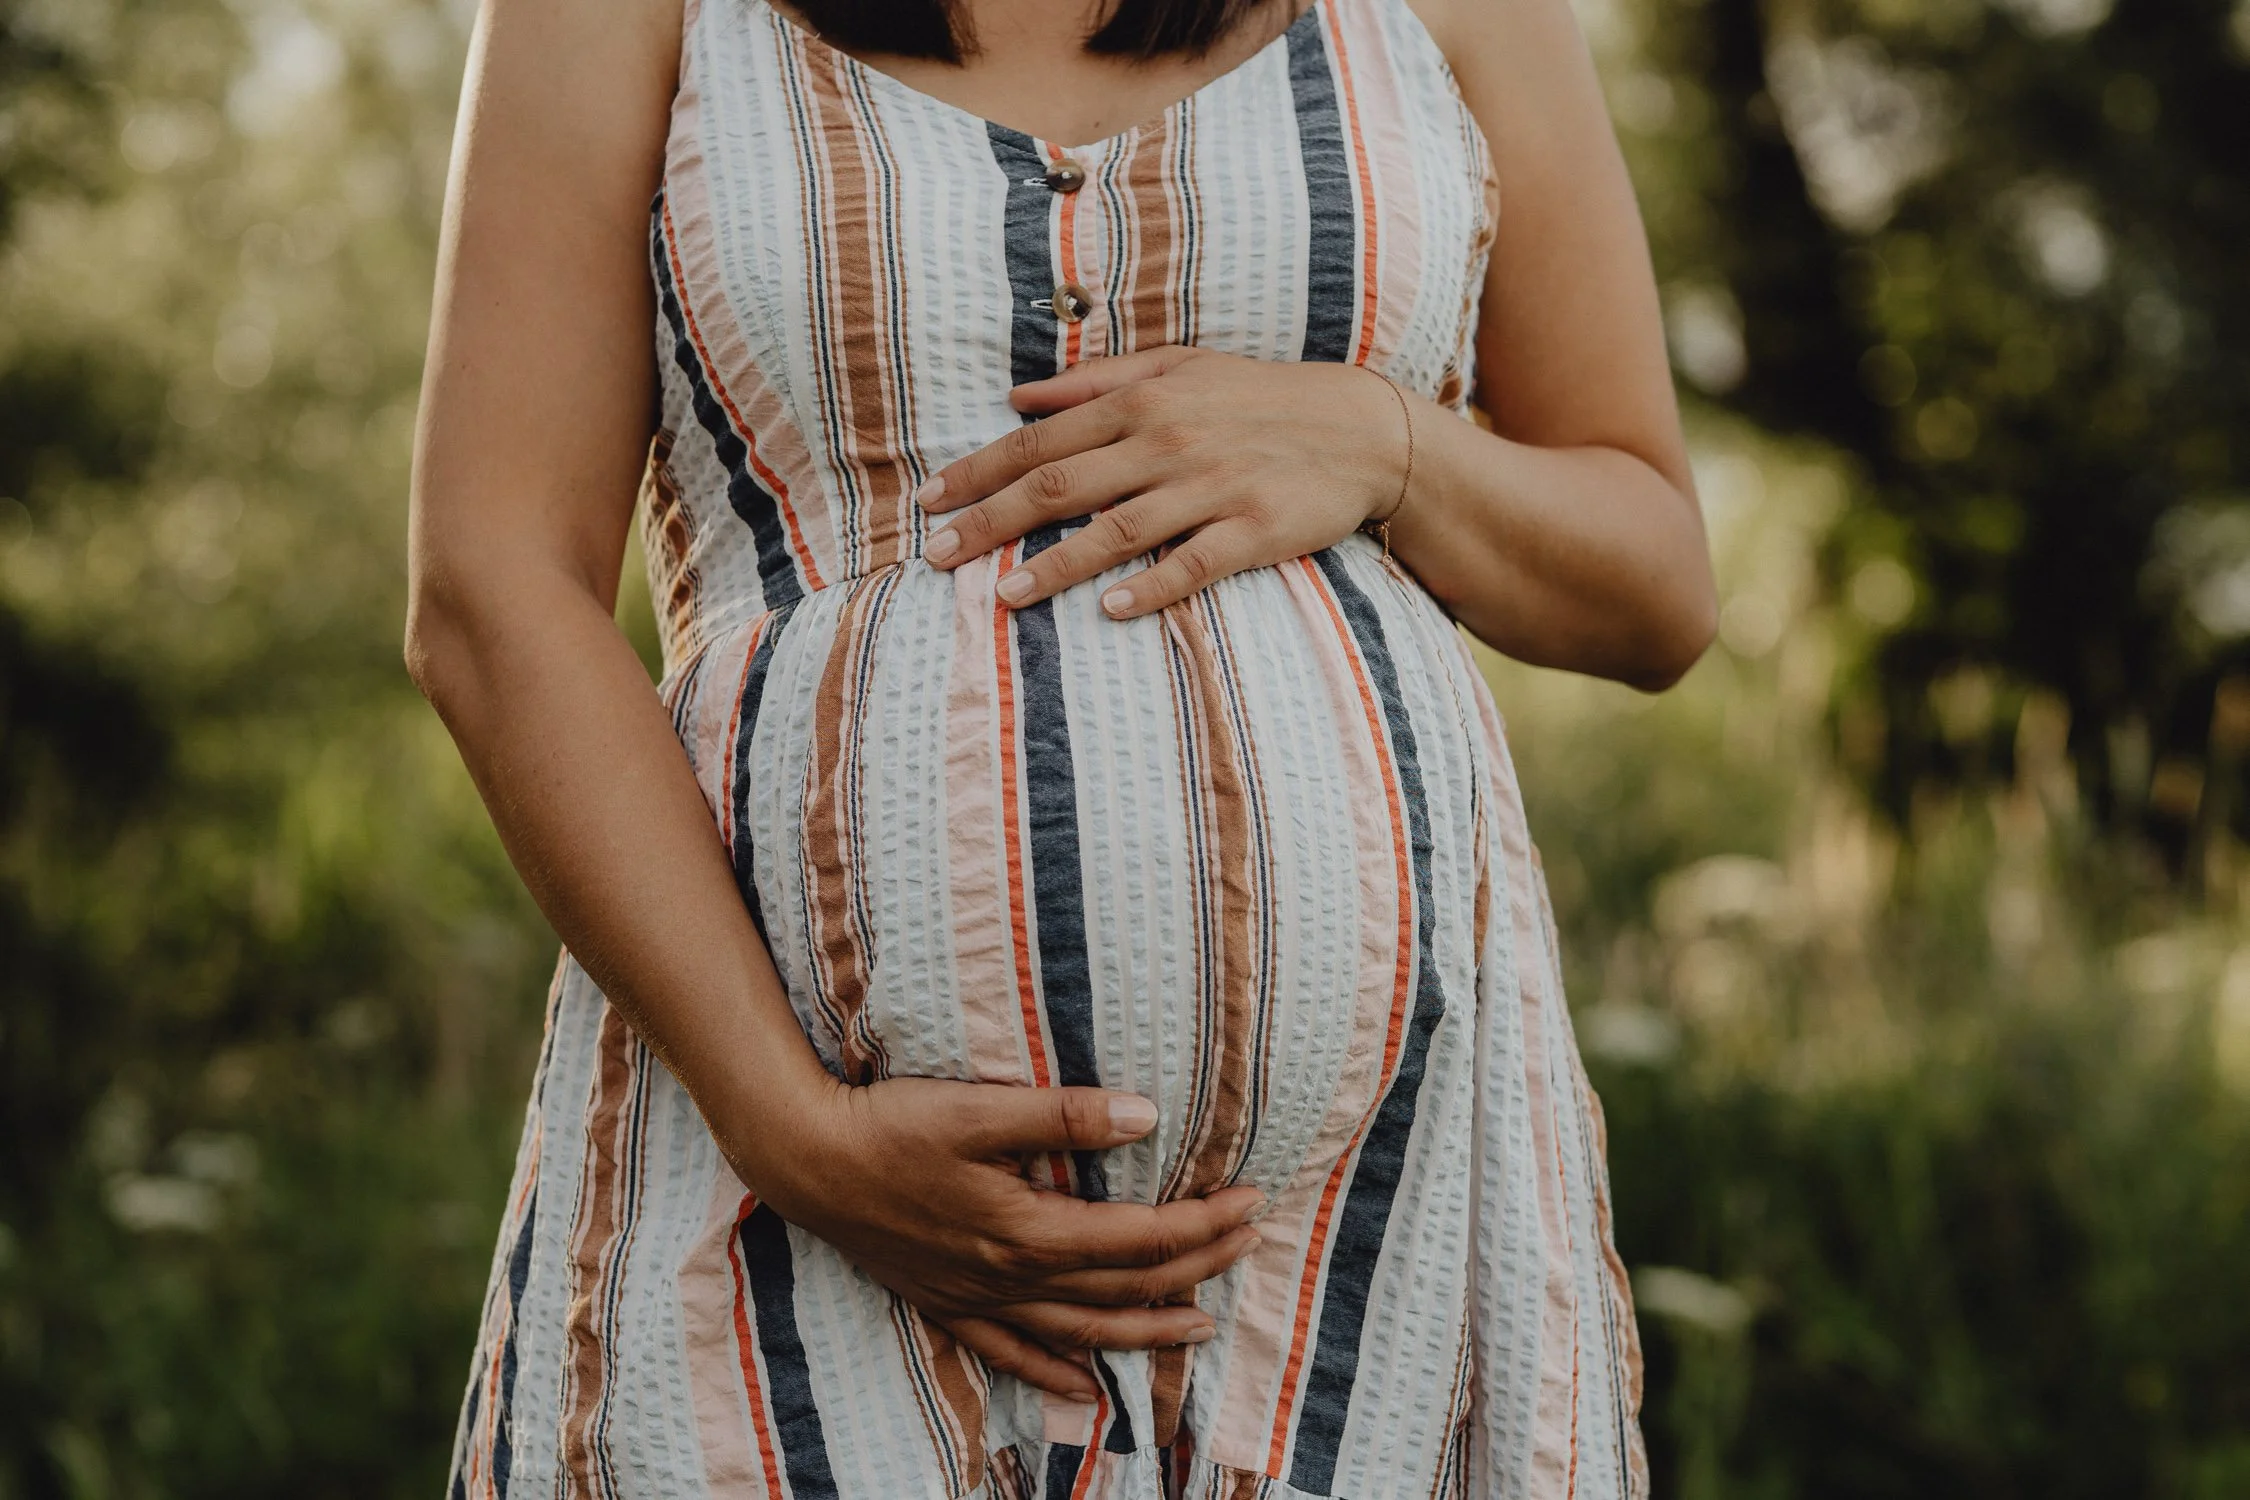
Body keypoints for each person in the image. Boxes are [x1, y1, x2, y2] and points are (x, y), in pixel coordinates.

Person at [405, 0, 1714, 1491]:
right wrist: (788, 1127)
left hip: (1361, 1229)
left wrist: (1381, 445)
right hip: (795, 1194)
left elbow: (1655, 582)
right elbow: (487, 591)